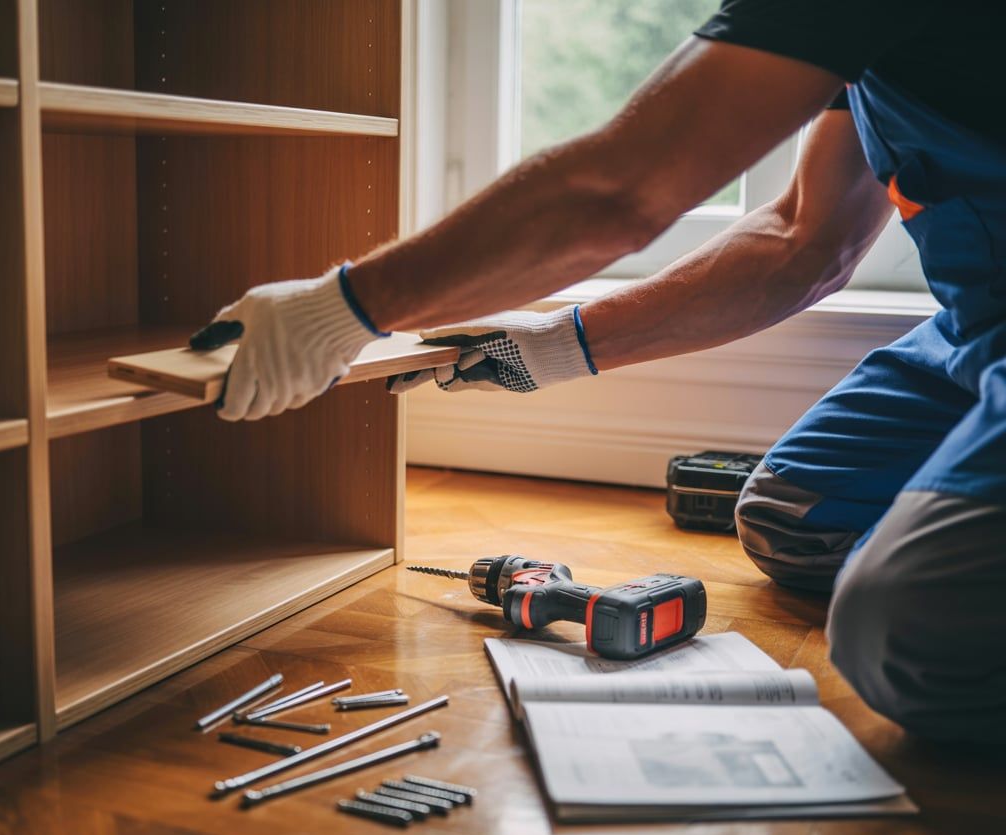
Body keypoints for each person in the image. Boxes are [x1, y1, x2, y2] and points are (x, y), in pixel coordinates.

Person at [194, 0, 1006, 742]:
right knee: (795, 517)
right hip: (979, 330)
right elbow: (803, 240)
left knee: (904, 637)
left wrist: (339, 308)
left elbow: (619, 191)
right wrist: (537, 350)